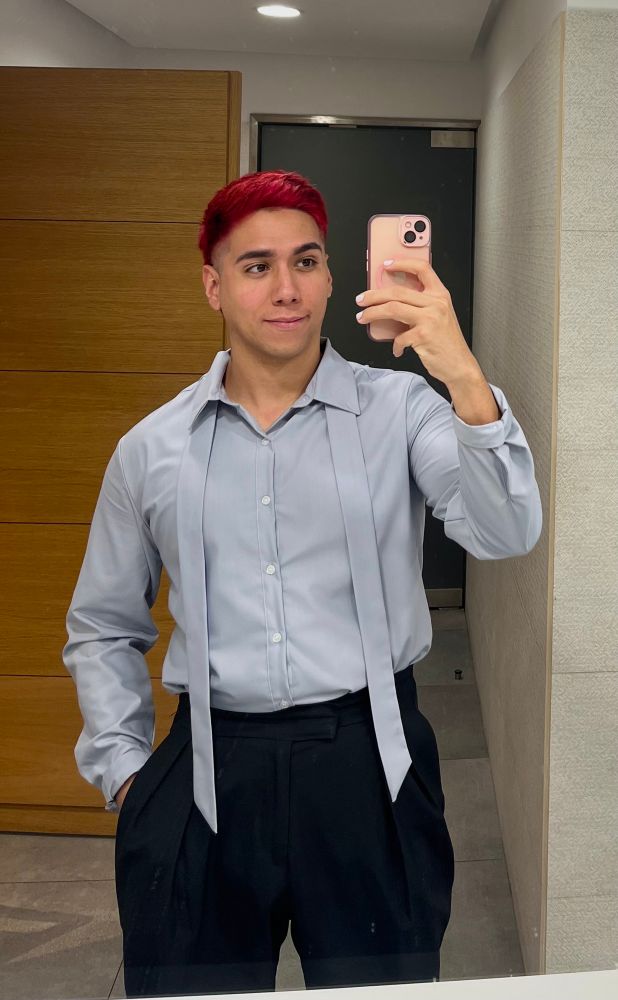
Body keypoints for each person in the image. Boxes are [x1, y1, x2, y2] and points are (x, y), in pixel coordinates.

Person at [63, 169, 542, 998]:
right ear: (213, 285)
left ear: (329, 275)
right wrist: (131, 777)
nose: (286, 288)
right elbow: (104, 624)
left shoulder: (403, 411)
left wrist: (463, 375)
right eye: (256, 266)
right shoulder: (152, 448)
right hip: (207, 765)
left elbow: (505, 532)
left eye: (307, 261)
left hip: (370, 763)